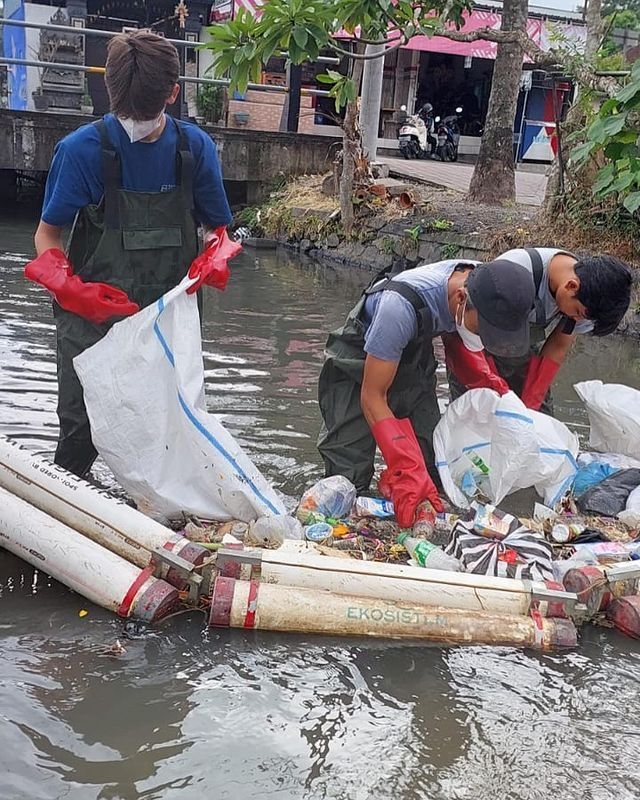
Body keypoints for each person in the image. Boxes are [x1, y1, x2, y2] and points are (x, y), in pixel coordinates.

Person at [25, 30, 237, 478]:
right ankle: (69, 503)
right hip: (93, 318)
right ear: (107, 89)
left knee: (169, 428)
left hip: (166, 315)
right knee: (81, 429)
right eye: (128, 114)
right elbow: (47, 236)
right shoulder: (81, 151)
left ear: (173, 94)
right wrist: (70, 288)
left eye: (149, 112)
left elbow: (217, 226)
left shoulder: (193, 149)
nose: (137, 124)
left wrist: (216, 252)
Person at [317, 258, 537, 528]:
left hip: (413, 354)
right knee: (348, 478)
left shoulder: (491, 284)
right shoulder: (397, 308)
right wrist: (404, 466)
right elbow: (372, 397)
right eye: (483, 330)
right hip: (360, 359)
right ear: (460, 298)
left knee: (432, 466)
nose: (485, 338)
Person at [447, 248, 633, 414]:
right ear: (571, 286)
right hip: (475, 345)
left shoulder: (586, 301)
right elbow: (471, 326)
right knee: (479, 413)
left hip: (521, 349)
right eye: (577, 313)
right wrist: (493, 386)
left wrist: (531, 407)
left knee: (538, 420)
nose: (578, 320)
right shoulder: (515, 270)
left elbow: (558, 346)